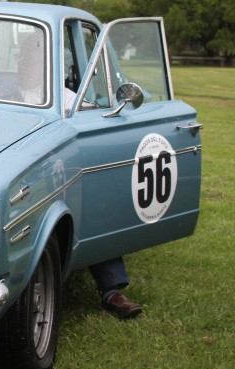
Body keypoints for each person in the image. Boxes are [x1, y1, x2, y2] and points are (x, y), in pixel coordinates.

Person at [18, 27, 142, 320]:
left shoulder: (66, 96)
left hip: (64, 165)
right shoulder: (3, 91)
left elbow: (91, 121)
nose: (33, 63)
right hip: (26, 167)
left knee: (99, 204)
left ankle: (111, 290)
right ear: (21, 61)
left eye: (40, 56)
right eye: (29, 56)